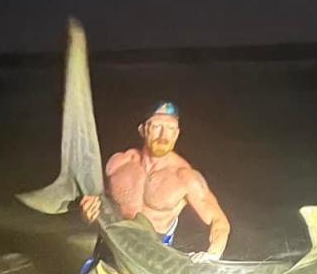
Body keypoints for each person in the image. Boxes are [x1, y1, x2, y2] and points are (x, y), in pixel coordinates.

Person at [79, 101, 230, 263]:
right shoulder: (117, 164)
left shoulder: (186, 177)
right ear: (143, 130)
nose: (164, 135)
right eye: (157, 126)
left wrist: (213, 254)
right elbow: (97, 201)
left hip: (152, 254)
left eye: (171, 129)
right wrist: (87, 213)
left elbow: (220, 222)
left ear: (177, 134)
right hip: (112, 244)